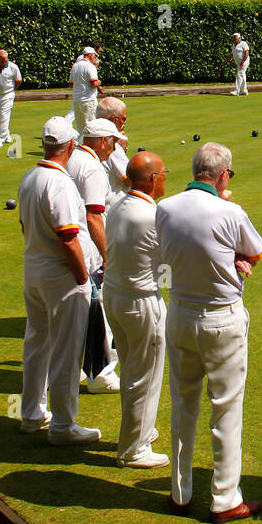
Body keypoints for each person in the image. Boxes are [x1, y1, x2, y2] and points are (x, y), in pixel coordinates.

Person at [156, 142, 262, 523]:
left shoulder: (165, 207)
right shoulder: (230, 211)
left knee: (183, 404)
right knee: (226, 410)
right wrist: (233, 256)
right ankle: (224, 499)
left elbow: (175, 249)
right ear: (223, 176)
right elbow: (257, 251)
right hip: (222, 319)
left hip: (180, 314)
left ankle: (180, 493)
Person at [17, 116, 102, 446]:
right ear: (71, 146)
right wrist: (82, 278)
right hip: (61, 277)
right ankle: (64, 425)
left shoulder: (29, 178)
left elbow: (26, 228)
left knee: (37, 343)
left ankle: (31, 413)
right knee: (66, 351)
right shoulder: (61, 184)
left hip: (34, 271)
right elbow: (69, 238)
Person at [103, 150, 170, 468]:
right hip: (140, 301)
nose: (165, 179)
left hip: (115, 296)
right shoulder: (151, 215)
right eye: (164, 174)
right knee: (144, 375)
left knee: (132, 370)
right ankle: (133, 449)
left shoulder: (118, 205)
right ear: (154, 179)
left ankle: (140, 430)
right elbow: (171, 261)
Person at [65, 118, 123, 394]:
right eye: (112, 143)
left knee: (75, 313)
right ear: (102, 142)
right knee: (99, 311)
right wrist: (107, 254)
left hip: (67, 248)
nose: (113, 150)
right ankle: (101, 374)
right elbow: (93, 215)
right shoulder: (93, 168)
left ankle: (73, 369)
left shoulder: (70, 159)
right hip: (87, 250)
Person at [96, 96, 130, 201]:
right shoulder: (112, 145)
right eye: (123, 119)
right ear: (113, 119)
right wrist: (120, 150)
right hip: (112, 207)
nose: (124, 122)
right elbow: (130, 181)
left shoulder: (86, 136)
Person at [0, 49, 22, 148]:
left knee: (4, 115)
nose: (4, 62)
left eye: (6, 60)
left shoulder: (13, 67)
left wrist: (11, 90)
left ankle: (0, 139)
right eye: (2, 60)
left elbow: (18, 80)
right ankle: (6, 134)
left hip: (8, 95)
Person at [69, 47, 102, 127]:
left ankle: (81, 140)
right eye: (94, 56)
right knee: (91, 126)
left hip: (77, 100)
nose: (94, 58)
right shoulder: (90, 66)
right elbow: (94, 83)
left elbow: (71, 85)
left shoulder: (75, 66)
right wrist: (99, 82)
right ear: (90, 55)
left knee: (80, 126)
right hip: (88, 100)